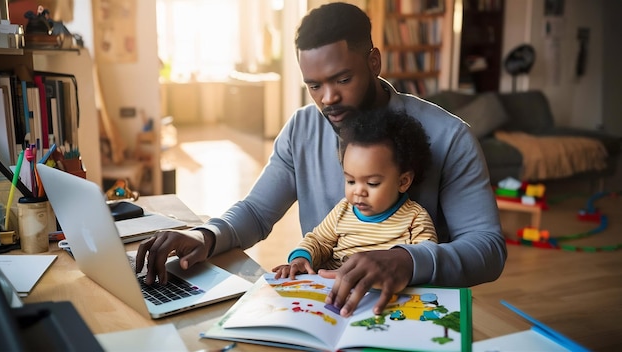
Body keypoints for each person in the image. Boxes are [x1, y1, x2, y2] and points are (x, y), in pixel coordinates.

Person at [136, 2, 506, 318]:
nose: (327, 98)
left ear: (373, 61)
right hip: (324, 307)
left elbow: (488, 248)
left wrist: (406, 262)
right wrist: (205, 234)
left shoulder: (449, 136)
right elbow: (257, 211)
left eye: (341, 79)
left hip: (405, 312)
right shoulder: (301, 128)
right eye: (314, 85)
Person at [273, 108, 437, 279]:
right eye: (350, 181)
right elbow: (318, 241)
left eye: (372, 183)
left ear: (403, 182)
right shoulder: (342, 211)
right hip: (331, 290)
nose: (358, 191)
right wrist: (300, 258)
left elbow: (426, 262)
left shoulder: (415, 219)